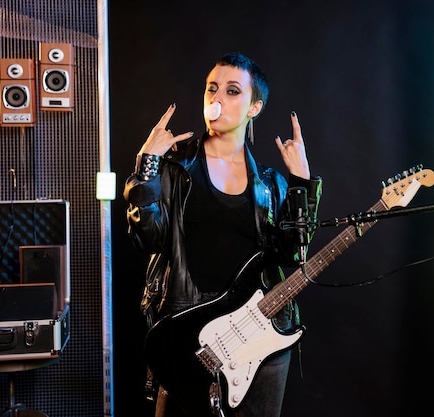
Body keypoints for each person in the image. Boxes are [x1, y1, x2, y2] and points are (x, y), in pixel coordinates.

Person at [123, 52, 323, 417]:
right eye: (211, 89)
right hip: (187, 335)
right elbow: (146, 240)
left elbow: (295, 259)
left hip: (257, 336)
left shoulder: (271, 184)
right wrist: (147, 166)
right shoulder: (173, 169)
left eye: (232, 91)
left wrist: (301, 184)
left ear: (254, 107)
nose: (217, 99)